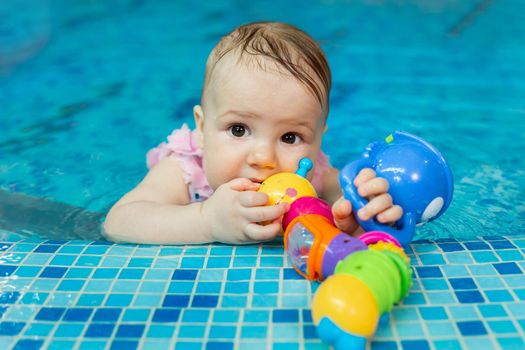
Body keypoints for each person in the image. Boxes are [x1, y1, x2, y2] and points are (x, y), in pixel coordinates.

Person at [103, 21, 402, 244]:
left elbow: (356, 203)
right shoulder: (184, 170)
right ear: (203, 128)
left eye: (289, 137)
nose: (263, 158)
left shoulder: (315, 173)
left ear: (318, 138)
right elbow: (118, 221)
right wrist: (206, 221)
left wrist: (363, 214)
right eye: (238, 129)